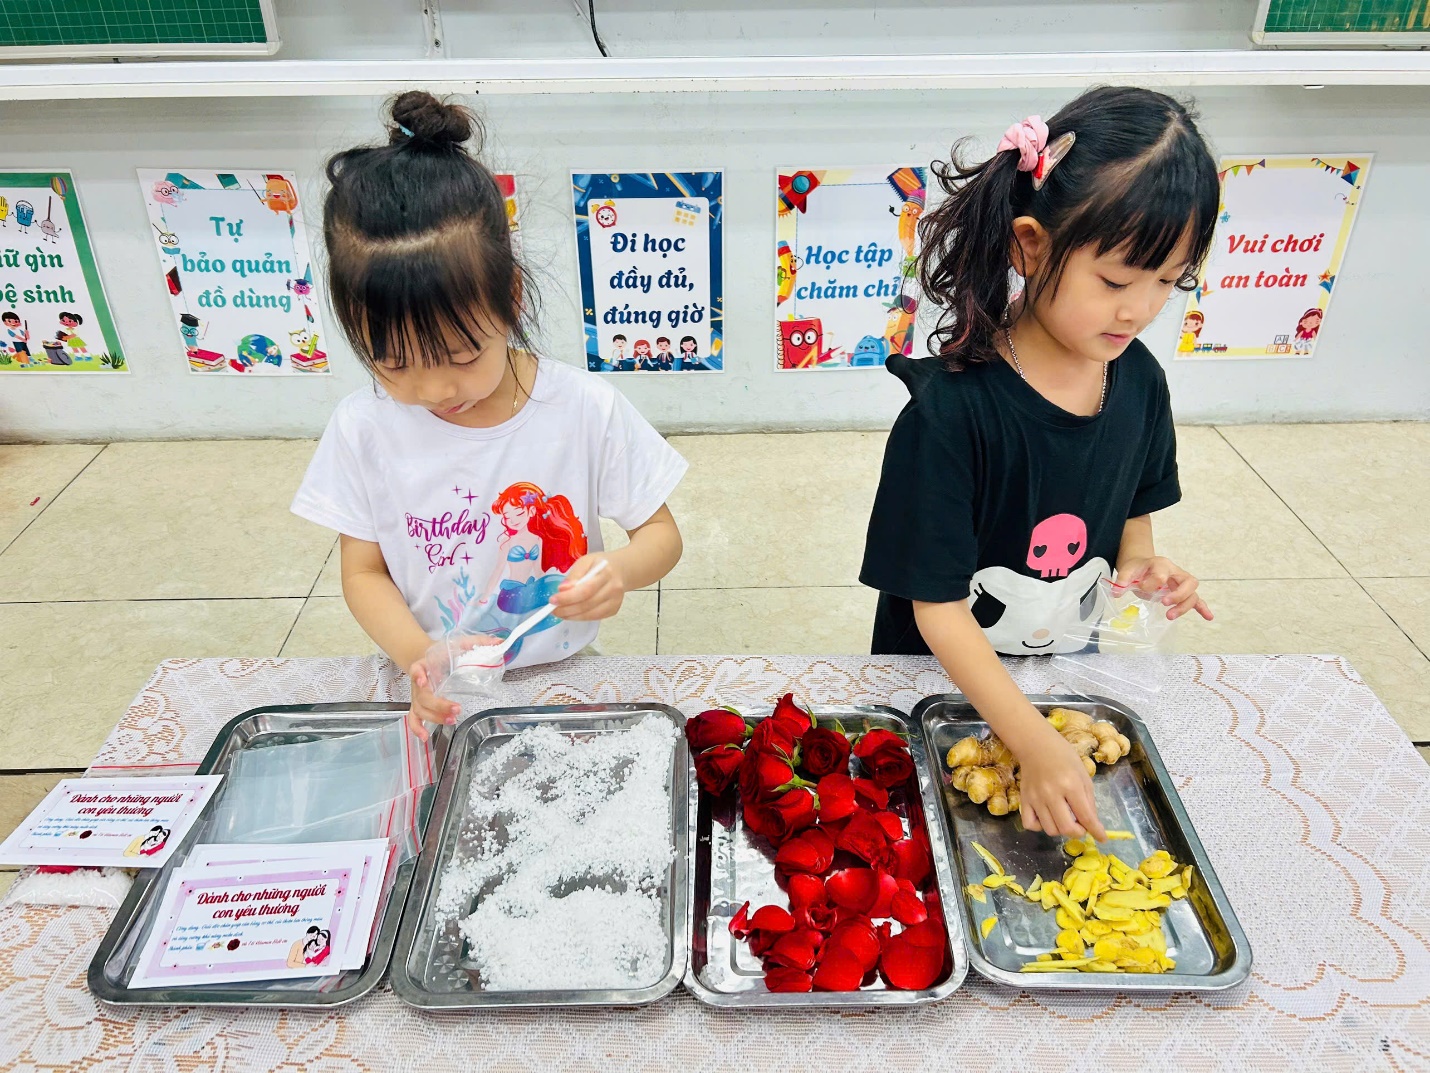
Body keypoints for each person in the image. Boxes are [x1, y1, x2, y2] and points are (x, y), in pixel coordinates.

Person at [861, 87, 1217, 841]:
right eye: (1117, 281)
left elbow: (1131, 507)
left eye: (1169, 281)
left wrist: (1143, 563)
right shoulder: (949, 416)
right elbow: (939, 610)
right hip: (938, 688)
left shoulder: (1139, 380)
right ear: (1030, 243)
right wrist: (1030, 742)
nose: (1140, 310)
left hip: (1057, 671)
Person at [292, 91, 686, 739]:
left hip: (560, 668)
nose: (433, 387)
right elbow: (363, 572)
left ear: (510, 297)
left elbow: (662, 535)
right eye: (392, 362)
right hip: (431, 674)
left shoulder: (583, 409)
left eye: (459, 352)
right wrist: (421, 658)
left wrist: (619, 570)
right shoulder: (363, 427)